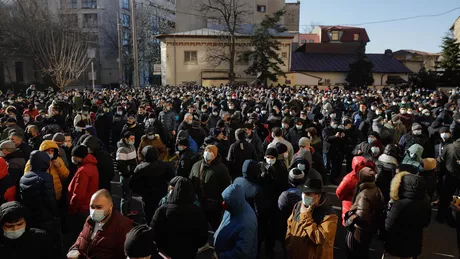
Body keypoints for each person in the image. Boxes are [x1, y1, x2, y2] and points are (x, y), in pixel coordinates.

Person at [151, 176, 208, 259]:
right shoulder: (197, 211)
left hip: (167, 251)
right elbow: (203, 236)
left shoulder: (162, 210)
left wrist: (160, 245)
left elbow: (154, 232)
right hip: (189, 251)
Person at [19, 150, 62, 258]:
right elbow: (50, 200)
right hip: (46, 217)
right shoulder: (45, 177)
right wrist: (55, 214)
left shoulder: (24, 177)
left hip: (32, 216)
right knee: (50, 244)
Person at [68, 189, 133, 259]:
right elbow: (82, 237)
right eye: (92, 207)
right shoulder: (90, 219)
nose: (94, 211)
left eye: (99, 207)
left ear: (110, 206)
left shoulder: (123, 227)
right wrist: (74, 248)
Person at [286, 177, 338, 259]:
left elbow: (319, 238)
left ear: (318, 196)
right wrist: (289, 243)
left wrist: (305, 216)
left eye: (308, 194)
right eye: (303, 192)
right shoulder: (298, 205)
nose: (304, 196)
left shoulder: (329, 215)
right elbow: (290, 224)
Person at [383, 171, 431, 258]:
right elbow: (426, 223)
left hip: (396, 243)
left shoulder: (399, 204)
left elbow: (388, 226)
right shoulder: (426, 202)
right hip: (414, 242)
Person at [344, 163, 385, 259]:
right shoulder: (377, 189)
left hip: (358, 234)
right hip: (369, 230)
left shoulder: (364, 194)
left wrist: (348, 218)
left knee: (354, 254)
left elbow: (360, 218)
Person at [189, 145, 231, 231]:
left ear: (215, 154)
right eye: (206, 150)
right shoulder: (196, 165)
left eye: (210, 151)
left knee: (215, 226)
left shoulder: (221, 168)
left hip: (214, 205)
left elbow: (226, 186)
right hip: (198, 204)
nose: (207, 153)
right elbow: (191, 182)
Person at [130, 146, 175, 223]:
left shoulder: (140, 168)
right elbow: (172, 178)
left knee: (149, 216)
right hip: (162, 194)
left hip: (147, 196)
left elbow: (132, 184)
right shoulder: (165, 165)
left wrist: (141, 191)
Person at [214, 184, 258, 259]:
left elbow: (242, 254)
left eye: (226, 201)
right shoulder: (234, 207)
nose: (223, 203)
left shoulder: (247, 225)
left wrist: (221, 256)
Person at [67, 145, 99, 225]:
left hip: (82, 207)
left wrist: (72, 208)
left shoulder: (83, 171)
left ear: (79, 157)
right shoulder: (92, 165)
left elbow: (79, 194)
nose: (73, 158)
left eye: (74, 156)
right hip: (88, 204)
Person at [336, 156, 367, 226]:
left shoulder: (351, 178)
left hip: (354, 207)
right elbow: (339, 192)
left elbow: (339, 192)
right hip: (351, 207)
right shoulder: (349, 179)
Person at [116, 131, 138, 216]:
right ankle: (124, 214)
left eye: (134, 139)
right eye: (131, 139)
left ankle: (128, 211)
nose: (133, 140)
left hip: (131, 175)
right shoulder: (122, 150)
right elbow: (121, 165)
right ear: (126, 139)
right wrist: (128, 173)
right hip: (126, 176)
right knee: (126, 196)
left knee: (130, 195)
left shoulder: (131, 146)